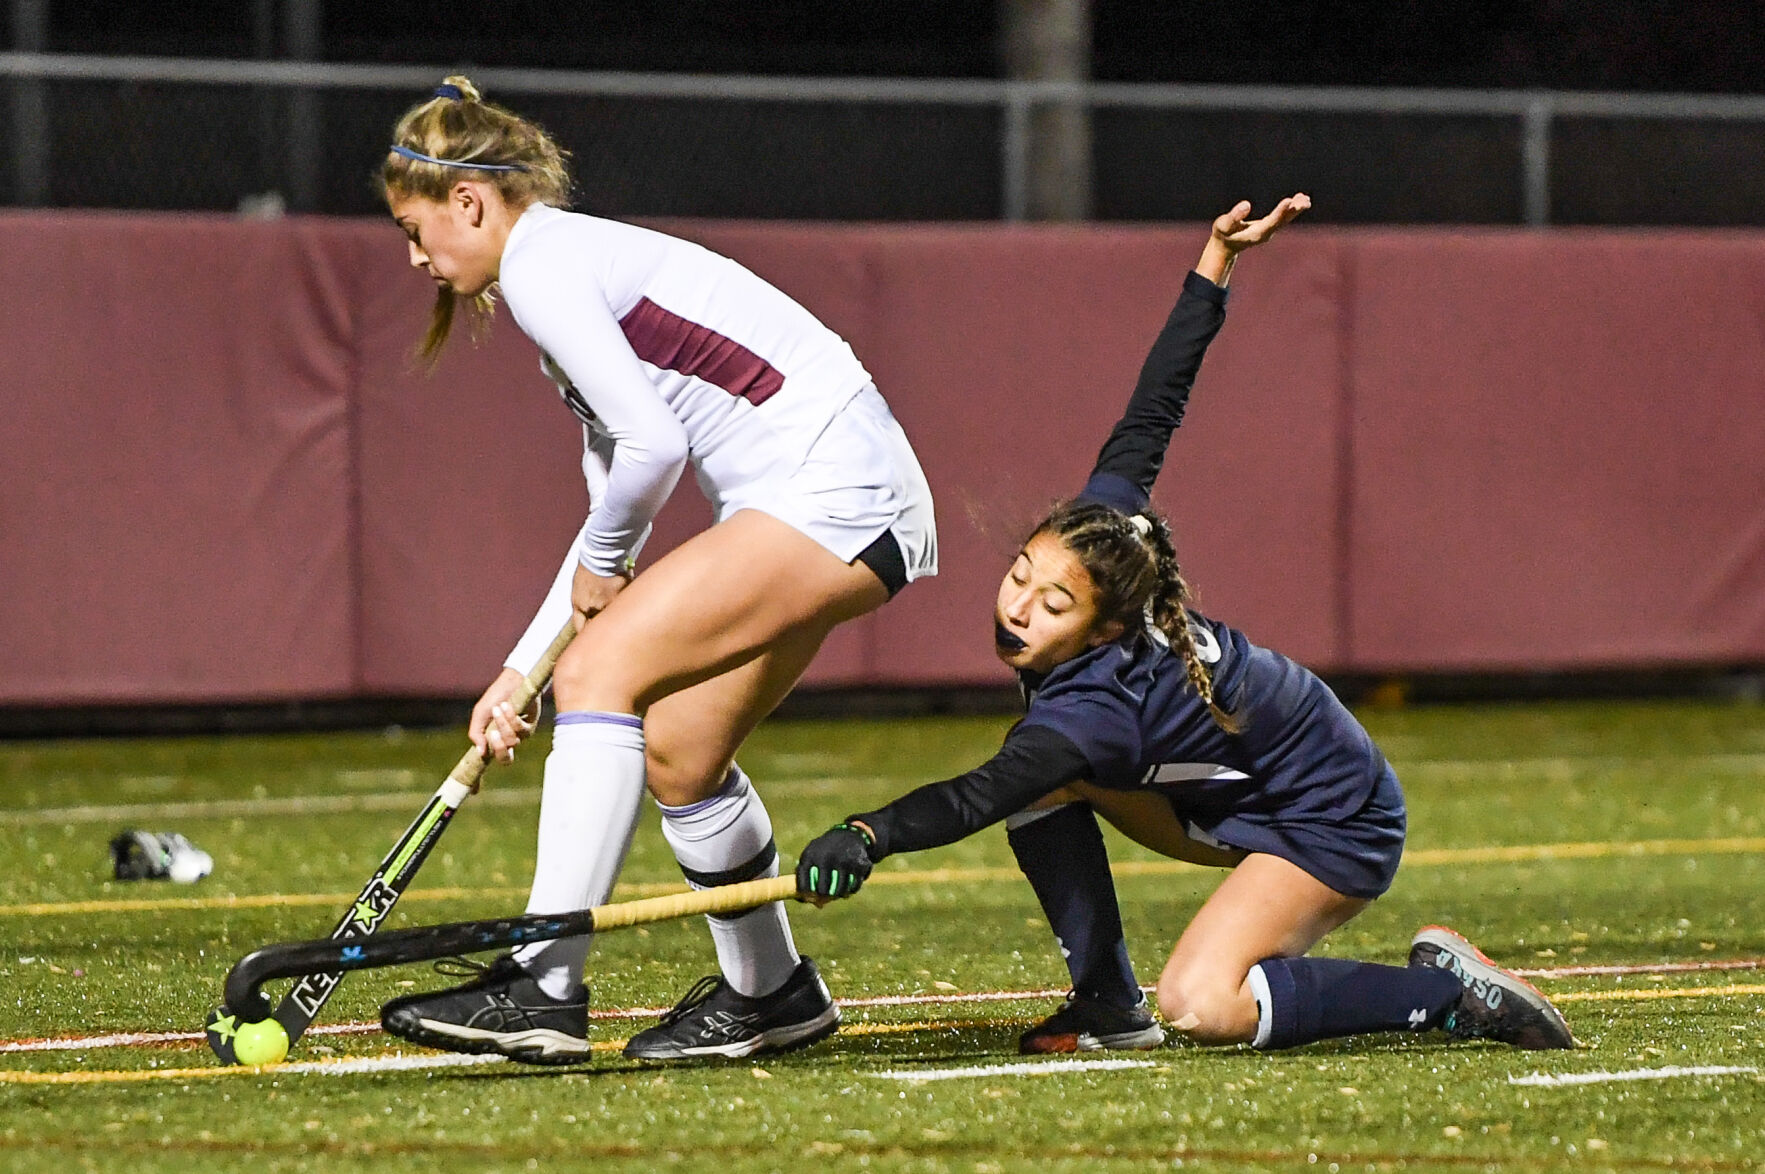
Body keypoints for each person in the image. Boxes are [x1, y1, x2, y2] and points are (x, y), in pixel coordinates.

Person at [795, 194, 1576, 1057]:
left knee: (1202, 1003)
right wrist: (1215, 261)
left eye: (1053, 605)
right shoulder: (1103, 536)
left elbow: (977, 796)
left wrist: (869, 834)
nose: (1018, 606)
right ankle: (1104, 1006)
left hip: (1332, 819)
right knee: (1047, 783)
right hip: (1239, 792)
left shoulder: (1093, 705)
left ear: (1102, 630)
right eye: (1020, 575)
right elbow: (1156, 402)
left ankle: (1442, 994)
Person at [373, 78, 937, 1064]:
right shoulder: (562, 266)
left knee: (604, 676)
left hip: (829, 490)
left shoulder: (546, 265)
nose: (418, 257)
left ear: (468, 201)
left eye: (416, 230)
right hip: (851, 497)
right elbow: (614, 516)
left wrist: (592, 587)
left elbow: (651, 451)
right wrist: (519, 672)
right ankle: (772, 995)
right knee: (678, 745)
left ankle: (543, 985)